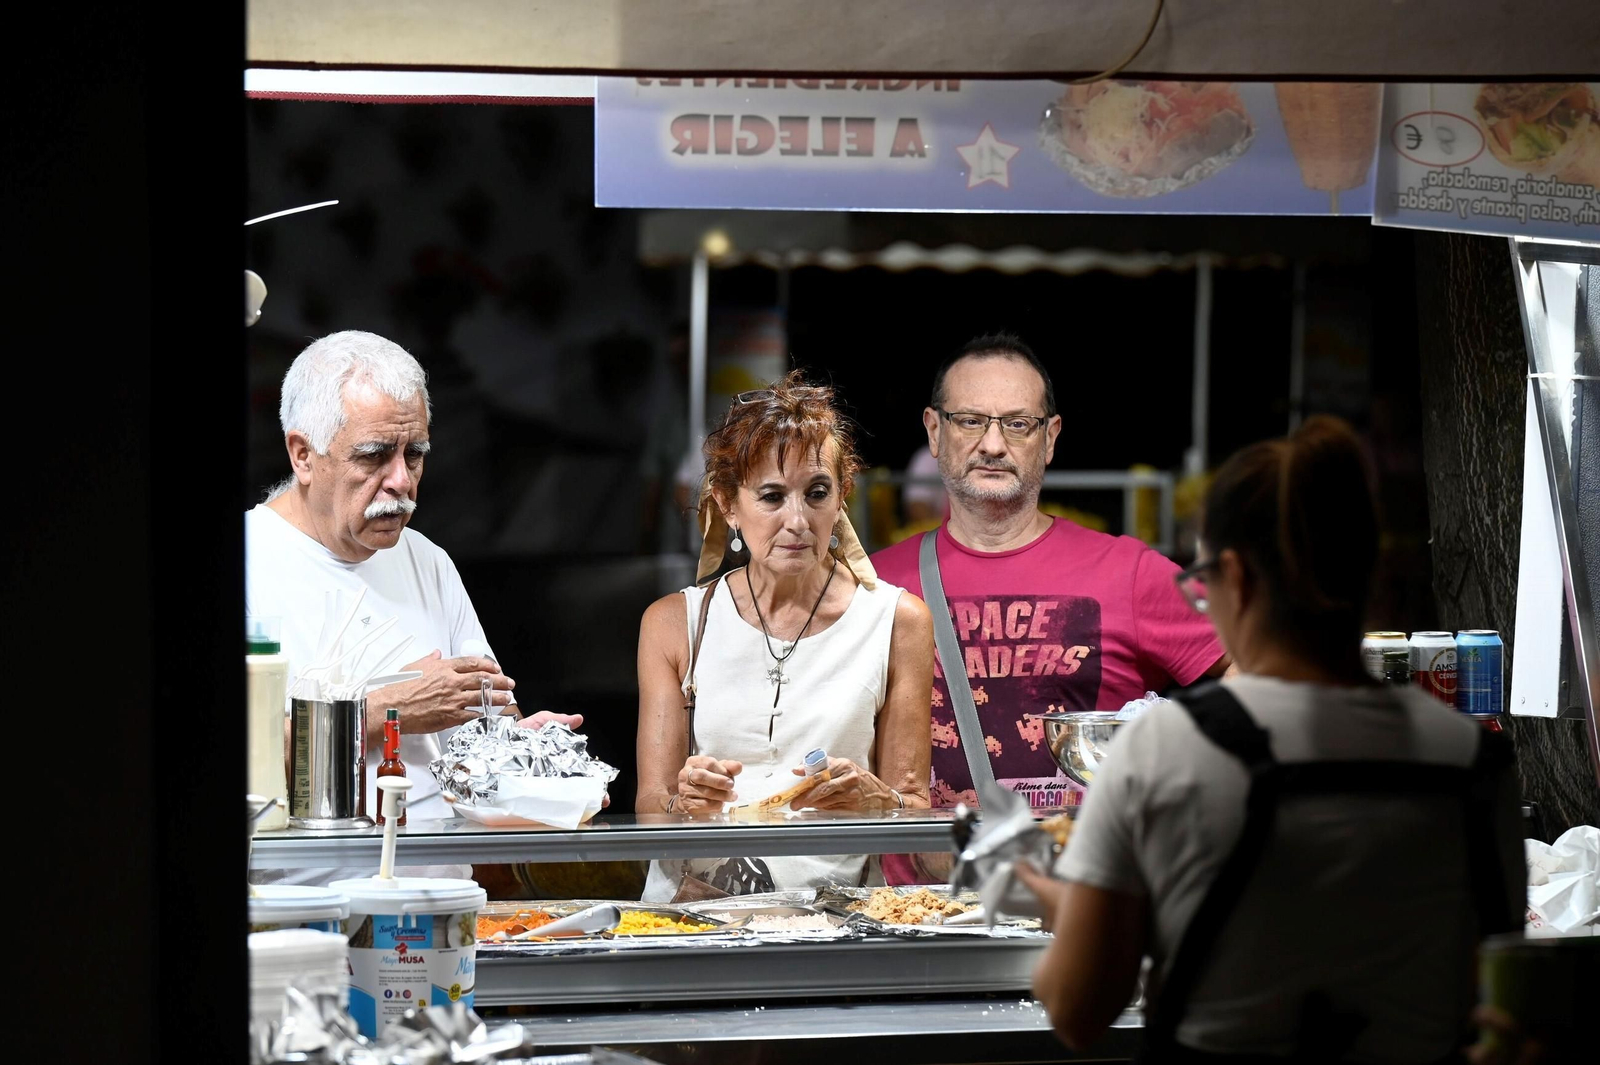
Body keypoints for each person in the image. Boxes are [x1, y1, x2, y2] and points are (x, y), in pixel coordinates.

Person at [1017, 416, 1525, 1061]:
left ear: (1238, 577)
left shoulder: (1167, 745)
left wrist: (1056, 904)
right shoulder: (1475, 759)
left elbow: (1078, 1010)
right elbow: (1501, 984)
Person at [247, 330, 580, 883]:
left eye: (415, 454)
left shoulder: (426, 561)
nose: (400, 482)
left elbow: (482, 720)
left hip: (441, 908)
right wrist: (391, 709)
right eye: (374, 456)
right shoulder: (250, 564)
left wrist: (524, 747)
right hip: (304, 919)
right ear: (303, 454)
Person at [870, 333, 1230, 824]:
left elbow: (1258, 674)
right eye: (970, 421)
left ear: (1051, 437)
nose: (993, 445)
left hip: (1082, 888)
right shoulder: (872, 584)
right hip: (912, 896)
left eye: (1018, 424)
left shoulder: (1130, 573)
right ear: (934, 431)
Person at [634, 371, 934, 900]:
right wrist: (687, 804)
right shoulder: (674, 623)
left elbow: (912, 809)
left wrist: (877, 800)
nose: (798, 520)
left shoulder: (897, 620)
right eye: (772, 497)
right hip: (692, 919)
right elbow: (650, 806)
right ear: (728, 506)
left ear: (841, 497)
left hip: (830, 923)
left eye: (816, 493)